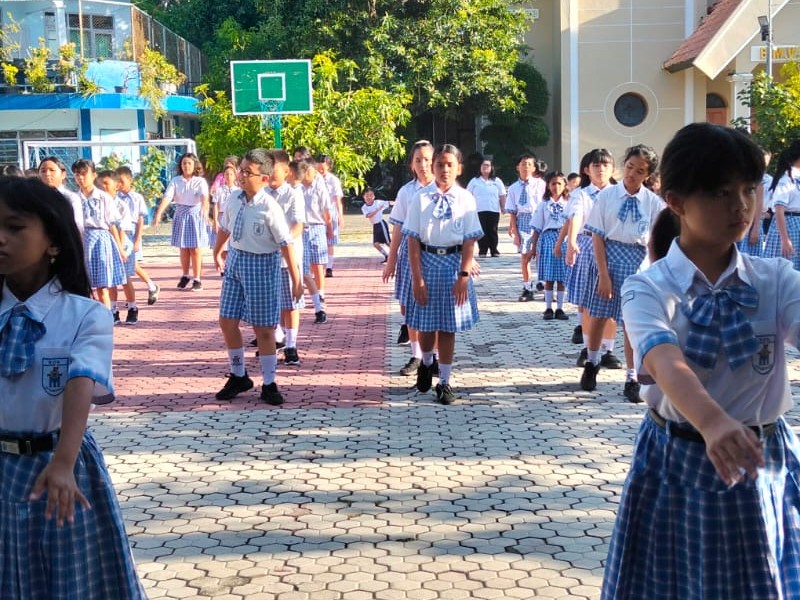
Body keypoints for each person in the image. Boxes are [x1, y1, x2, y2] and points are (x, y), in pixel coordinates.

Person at [601, 122, 800, 599]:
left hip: (760, 459)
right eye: (720, 192)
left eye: (748, 189)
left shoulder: (775, 280)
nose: (741, 206)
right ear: (675, 201)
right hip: (676, 461)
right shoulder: (648, 287)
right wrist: (712, 422)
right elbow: (663, 360)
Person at [0, 176, 146, 598]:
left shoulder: (85, 315)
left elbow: (80, 381)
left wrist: (64, 461)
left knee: (70, 581)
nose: (1, 238)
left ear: (54, 243)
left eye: (14, 227)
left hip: (60, 465)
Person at [212, 148, 303, 405]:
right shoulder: (234, 198)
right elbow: (225, 227)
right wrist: (217, 251)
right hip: (235, 262)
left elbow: (286, 244)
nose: (241, 176)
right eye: (240, 170)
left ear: (263, 178)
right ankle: (239, 375)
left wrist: (296, 280)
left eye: (247, 172)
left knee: (263, 328)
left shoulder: (269, 207)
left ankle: (270, 382)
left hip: (262, 265)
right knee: (227, 320)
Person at [581, 144, 663, 402]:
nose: (632, 174)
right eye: (629, 167)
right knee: (599, 315)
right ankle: (592, 362)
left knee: (631, 323)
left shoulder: (653, 203)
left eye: (640, 171)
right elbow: (597, 235)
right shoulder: (607, 196)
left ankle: (632, 377)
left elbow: (656, 242)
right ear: (623, 164)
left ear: (647, 175)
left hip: (638, 263)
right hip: (608, 257)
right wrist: (603, 274)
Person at [403, 143, 483, 405]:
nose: (444, 170)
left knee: (448, 326)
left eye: (450, 165)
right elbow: (413, 240)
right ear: (432, 166)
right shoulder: (420, 198)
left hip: (453, 263)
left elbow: (469, 240)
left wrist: (463, 275)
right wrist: (417, 279)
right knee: (427, 324)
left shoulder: (466, 199)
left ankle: (445, 381)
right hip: (427, 261)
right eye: (440, 164)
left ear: (459, 168)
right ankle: (426, 362)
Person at [559, 149, 621, 369]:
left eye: (605, 165)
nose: (601, 169)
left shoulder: (619, 193)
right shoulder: (581, 194)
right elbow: (575, 216)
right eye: (596, 165)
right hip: (586, 245)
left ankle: (608, 351)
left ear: (613, 169)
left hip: (614, 247)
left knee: (611, 299)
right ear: (587, 170)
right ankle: (588, 348)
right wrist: (571, 241)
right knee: (587, 303)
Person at [383, 140, 436, 374]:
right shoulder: (406, 192)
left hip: (435, 253)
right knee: (409, 305)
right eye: (418, 160)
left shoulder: (444, 189)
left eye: (427, 160)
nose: (423, 165)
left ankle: (433, 357)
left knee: (434, 305)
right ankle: (416, 355)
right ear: (411, 165)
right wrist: (391, 260)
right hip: (409, 250)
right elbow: (397, 228)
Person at [266, 149, 306, 366]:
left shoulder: (293, 194)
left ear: (286, 171)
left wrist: (284, 241)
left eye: (275, 169)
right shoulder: (261, 194)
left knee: (290, 303)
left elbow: (298, 224)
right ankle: (276, 337)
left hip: (287, 257)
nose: (270, 173)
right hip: (265, 256)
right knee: (268, 302)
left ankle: (291, 345)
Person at [71, 159, 126, 310]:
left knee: (102, 287)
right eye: (77, 174)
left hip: (101, 240)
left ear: (94, 175)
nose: (80, 177)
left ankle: (107, 316)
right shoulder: (74, 198)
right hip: (82, 240)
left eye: (84, 174)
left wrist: (120, 248)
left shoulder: (103, 197)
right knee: (83, 285)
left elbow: (112, 224)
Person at [152, 152, 210, 291]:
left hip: (195, 215)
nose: (186, 166)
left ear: (195, 165)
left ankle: (197, 279)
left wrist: (205, 209)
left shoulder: (200, 181)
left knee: (195, 248)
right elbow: (168, 197)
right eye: (184, 163)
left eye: (189, 163)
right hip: (180, 214)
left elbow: (204, 197)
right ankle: (185, 275)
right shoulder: (176, 180)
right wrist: (159, 213)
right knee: (183, 248)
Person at [95, 170, 139, 324]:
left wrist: (120, 249)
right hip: (106, 245)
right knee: (110, 279)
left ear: (116, 185)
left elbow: (122, 229)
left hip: (122, 245)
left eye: (106, 183)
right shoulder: (97, 203)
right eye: (100, 184)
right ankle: (113, 309)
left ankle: (132, 307)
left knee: (125, 278)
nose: (103, 187)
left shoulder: (121, 205)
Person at [116, 166, 160, 305]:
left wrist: (137, 239)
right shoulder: (115, 197)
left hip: (132, 231)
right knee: (129, 264)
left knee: (131, 264)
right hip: (120, 231)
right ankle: (150, 286)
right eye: (117, 181)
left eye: (122, 181)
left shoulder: (137, 198)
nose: (119, 184)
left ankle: (150, 286)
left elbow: (140, 220)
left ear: (130, 180)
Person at [529, 171, 570, 320]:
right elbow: (537, 228)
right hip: (547, 239)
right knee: (549, 276)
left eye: (559, 183)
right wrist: (533, 247)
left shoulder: (569, 204)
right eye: (553, 183)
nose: (556, 186)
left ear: (564, 185)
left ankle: (560, 308)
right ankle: (548, 308)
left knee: (562, 277)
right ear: (548, 186)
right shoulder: (544, 205)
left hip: (564, 239)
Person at [505, 153, 545, 301]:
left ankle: (544, 285)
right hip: (523, 220)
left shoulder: (541, 184)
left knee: (541, 254)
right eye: (523, 164)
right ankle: (527, 287)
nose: (526, 167)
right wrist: (514, 230)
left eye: (529, 164)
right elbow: (512, 211)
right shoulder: (513, 188)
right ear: (518, 167)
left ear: (534, 167)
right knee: (525, 256)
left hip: (539, 218)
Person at [297, 158, 333, 324]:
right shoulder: (296, 187)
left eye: (312, 172)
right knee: (304, 270)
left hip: (317, 225)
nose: (310, 175)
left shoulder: (319, 184)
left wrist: (329, 227)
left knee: (317, 264)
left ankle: (320, 296)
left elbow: (326, 209)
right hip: (300, 229)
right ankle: (312, 302)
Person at [764, 140, 800, 270]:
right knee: (785, 268)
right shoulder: (786, 179)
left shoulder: (797, 177)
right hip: (788, 224)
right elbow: (779, 209)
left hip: (797, 224)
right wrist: (785, 239)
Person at [467, 157, 506, 257]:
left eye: (488, 165)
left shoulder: (497, 181)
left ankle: (494, 250)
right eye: (483, 165)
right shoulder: (474, 181)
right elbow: (468, 195)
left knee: (493, 230)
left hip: (493, 210)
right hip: (479, 210)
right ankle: (482, 250)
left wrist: (503, 207)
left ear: (491, 167)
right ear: (480, 167)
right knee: (482, 230)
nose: (485, 167)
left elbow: (502, 195)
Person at [37, 155, 84, 233]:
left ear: (63, 174)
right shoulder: (36, 198)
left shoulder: (71, 198)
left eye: (52, 170)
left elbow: (77, 226)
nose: (47, 174)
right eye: (43, 171)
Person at [316, 155, 344, 278]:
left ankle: (329, 267)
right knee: (318, 242)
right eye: (318, 169)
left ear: (328, 167)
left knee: (330, 242)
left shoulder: (333, 180)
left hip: (330, 212)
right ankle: (318, 267)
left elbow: (338, 200)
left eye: (323, 169)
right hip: (317, 214)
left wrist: (340, 216)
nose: (321, 171)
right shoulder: (314, 179)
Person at [361, 187, 391, 262]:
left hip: (381, 224)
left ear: (374, 196)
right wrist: (377, 210)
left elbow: (389, 202)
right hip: (375, 225)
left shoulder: (378, 202)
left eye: (371, 195)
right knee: (376, 244)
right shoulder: (364, 207)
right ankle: (387, 256)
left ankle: (397, 255)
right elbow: (368, 215)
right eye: (367, 195)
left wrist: (400, 202)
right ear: (364, 197)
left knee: (388, 243)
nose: (369, 197)